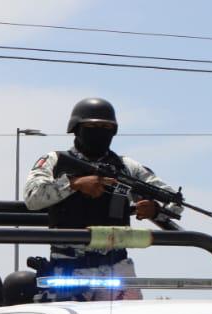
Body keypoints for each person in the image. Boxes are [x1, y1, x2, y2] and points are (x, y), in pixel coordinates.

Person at [24, 97, 182, 289]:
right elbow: (32, 198)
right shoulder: (55, 161)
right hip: (68, 269)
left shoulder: (126, 167)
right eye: (93, 126)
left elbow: (174, 201)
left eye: (107, 128)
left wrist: (154, 210)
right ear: (76, 127)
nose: (100, 133)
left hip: (117, 270)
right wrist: (74, 184)